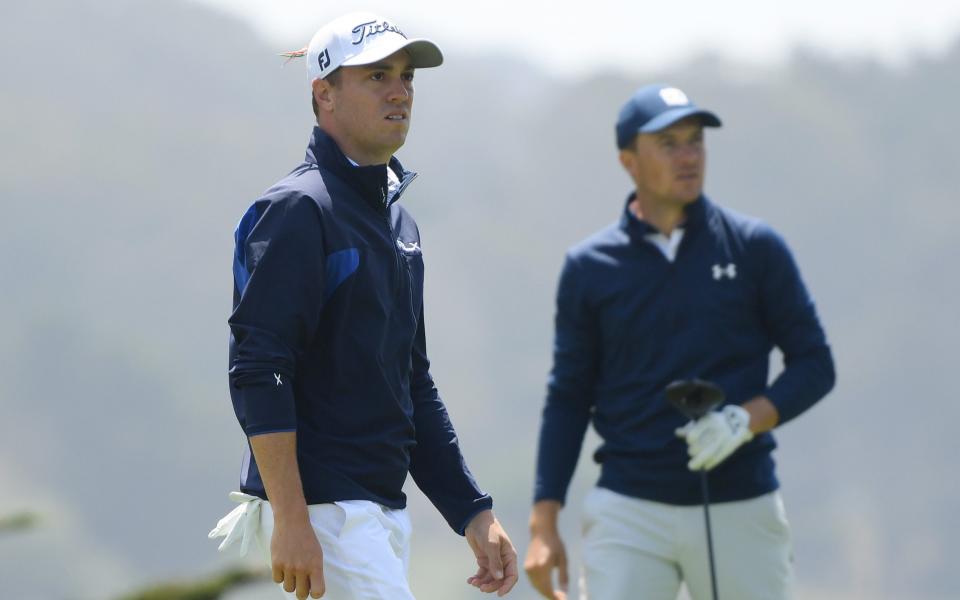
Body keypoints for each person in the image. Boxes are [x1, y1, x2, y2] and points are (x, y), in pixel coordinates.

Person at [208, 12, 517, 600]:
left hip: (377, 511)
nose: (400, 90)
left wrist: (472, 511)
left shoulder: (397, 221)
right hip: (325, 513)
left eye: (406, 76)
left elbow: (410, 379)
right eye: (377, 76)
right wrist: (294, 519)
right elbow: (259, 367)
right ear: (323, 94)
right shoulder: (298, 209)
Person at [523, 83, 836, 600]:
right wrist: (543, 522)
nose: (688, 156)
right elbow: (569, 396)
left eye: (695, 141)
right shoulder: (589, 268)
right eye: (669, 144)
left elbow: (815, 364)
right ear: (628, 160)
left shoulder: (754, 247)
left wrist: (744, 420)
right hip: (629, 508)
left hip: (741, 502)